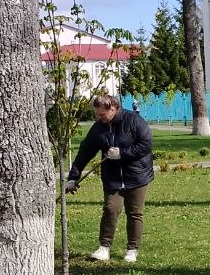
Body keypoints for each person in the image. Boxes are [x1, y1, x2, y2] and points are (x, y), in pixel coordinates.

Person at [65, 93, 155, 263]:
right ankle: (104, 248)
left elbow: (146, 145)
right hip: (112, 177)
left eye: (102, 114)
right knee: (110, 209)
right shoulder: (99, 128)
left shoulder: (134, 121)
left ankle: (132, 249)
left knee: (134, 212)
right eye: (97, 114)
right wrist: (73, 177)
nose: (99, 118)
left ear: (113, 108)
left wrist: (122, 153)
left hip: (137, 175)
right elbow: (85, 152)